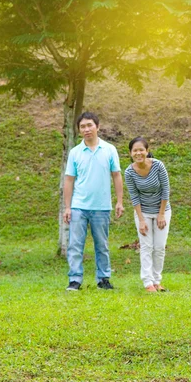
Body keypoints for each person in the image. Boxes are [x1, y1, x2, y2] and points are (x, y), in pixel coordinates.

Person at [63, 112, 124, 291]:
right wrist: (67, 207)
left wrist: (119, 201)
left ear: (97, 126)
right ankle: (75, 280)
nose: (86, 129)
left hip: (101, 207)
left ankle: (103, 279)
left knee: (102, 245)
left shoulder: (109, 149)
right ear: (79, 130)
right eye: (82, 127)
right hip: (78, 206)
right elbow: (69, 180)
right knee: (75, 245)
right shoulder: (75, 152)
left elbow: (116, 175)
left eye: (89, 125)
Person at [124, 137, 171, 292]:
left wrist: (161, 214)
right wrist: (141, 220)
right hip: (143, 211)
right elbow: (134, 196)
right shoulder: (129, 172)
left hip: (162, 210)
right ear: (131, 153)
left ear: (147, 150)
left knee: (159, 247)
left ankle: (157, 281)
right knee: (146, 246)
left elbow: (166, 190)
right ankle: (148, 283)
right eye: (135, 151)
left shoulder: (158, 166)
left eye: (141, 150)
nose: (138, 153)